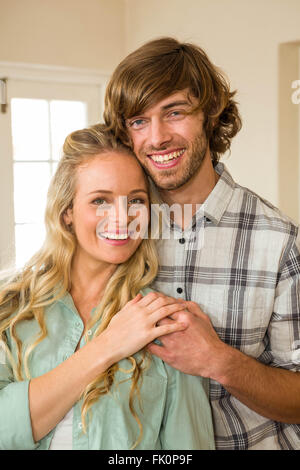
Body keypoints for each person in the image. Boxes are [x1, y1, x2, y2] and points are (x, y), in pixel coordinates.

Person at [104, 37, 300, 450]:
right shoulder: (115, 232)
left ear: (211, 113)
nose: (156, 138)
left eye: (174, 112)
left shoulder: (280, 242)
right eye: (138, 121)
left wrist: (218, 360)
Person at [0, 124, 215, 450]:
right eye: (100, 200)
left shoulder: (165, 322)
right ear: (67, 211)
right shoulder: (10, 307)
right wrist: (110, 344)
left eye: (136, 201)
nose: (121, 217)